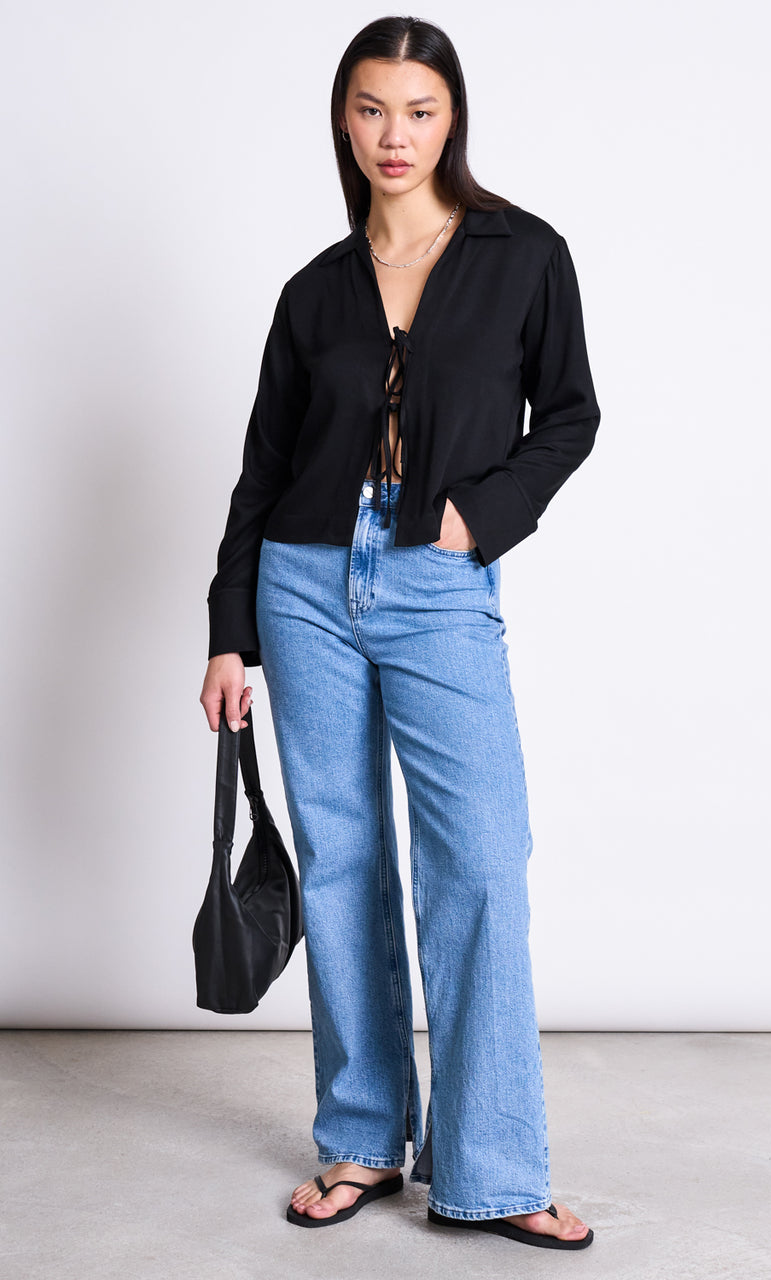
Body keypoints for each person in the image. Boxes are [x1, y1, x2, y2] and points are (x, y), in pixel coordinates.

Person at [199, 14, 599, 1252]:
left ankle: (493, 1162)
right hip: (302, 587)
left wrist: (478, 520)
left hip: (435, 582)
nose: (395, 134)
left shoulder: (521, 253)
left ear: (452, 120)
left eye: (418, 111)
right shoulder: (310, 291)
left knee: (478, 859)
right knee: (344, 865)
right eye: (372, 108)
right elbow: (261, 473)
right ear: (343, 118)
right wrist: (230, 631)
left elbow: (572, 415)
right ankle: (365, 1135)